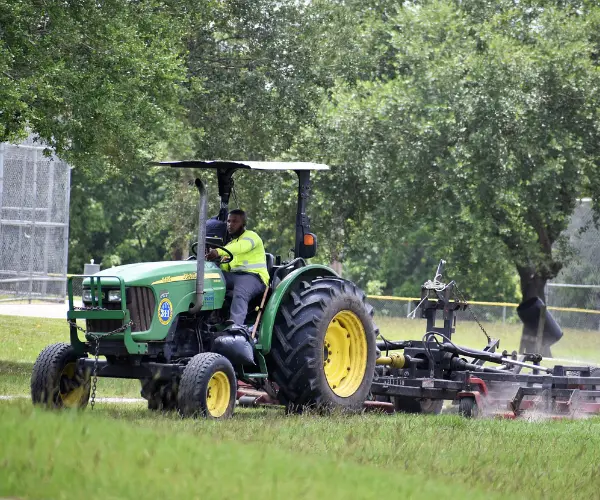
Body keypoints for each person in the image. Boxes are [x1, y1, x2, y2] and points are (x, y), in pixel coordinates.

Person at [205, 209, 269, 330]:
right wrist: (214, 263)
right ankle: (209, 319)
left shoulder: (251, 236)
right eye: (228, 221)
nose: (230, 224)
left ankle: (235, 326)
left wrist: (218, 251)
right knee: (212, 278)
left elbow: (240, 247)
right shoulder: (229, 245)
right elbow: (225, 266)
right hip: (234, 276)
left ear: (243, 224)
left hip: (254, 277)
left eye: (235, 221)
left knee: (240, 290)